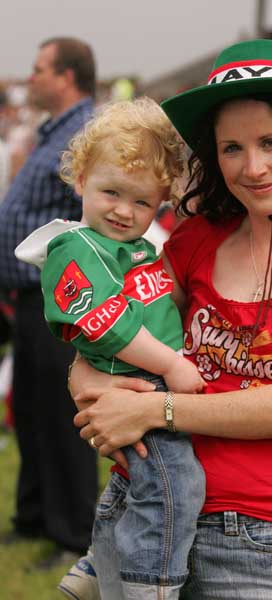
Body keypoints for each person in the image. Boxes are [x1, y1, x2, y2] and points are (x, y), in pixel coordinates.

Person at [70, 39, 272, 599]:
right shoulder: (195, 241)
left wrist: (150, 409)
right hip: (142, 508)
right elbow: (111, 330)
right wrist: (92, 387)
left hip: (258, 540)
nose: (253, 167)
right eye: (231, 148)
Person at [15, 98, 206, 600]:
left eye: (142, 203)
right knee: (175, 488)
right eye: (111, 192)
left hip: (145, 379)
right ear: (81, 181)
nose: (124, 210)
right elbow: (108, 324)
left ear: (161, 203)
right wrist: (173, 364)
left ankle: (100, 568)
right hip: (145, 380)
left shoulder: (135, 248)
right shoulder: (78, 248)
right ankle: (150, 585)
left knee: (134, 483)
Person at [0, 38, 98, 566]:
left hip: (57, 298)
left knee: (65, 417)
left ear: (65, 76)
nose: (30, 78)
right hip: (27, 296)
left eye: (39, 69)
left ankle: (74, 534)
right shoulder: (54, 131)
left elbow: (93, 213)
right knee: (33, 413)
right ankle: (34, 515)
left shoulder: (84, 132)